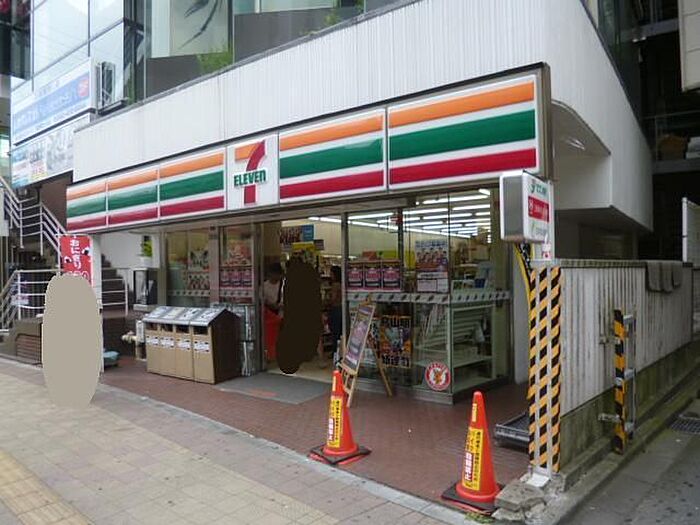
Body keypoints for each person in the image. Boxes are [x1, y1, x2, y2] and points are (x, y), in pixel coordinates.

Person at [263, 263, 284, 362]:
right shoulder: (264, 286)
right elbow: (261, 300)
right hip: (270, 316)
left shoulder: (284, 284)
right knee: (271, 337)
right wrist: (269, 304)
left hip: (282, 315)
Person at [328, 266, 343, 362]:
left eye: (331, 273)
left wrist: (327, 302)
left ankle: (335, 352)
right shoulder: (342, 284)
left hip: (335, 309)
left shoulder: (335, 285)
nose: (330, 275)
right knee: (340, 331)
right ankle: (340, 351)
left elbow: (333, 299)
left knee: (335, 332)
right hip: (341, 309)